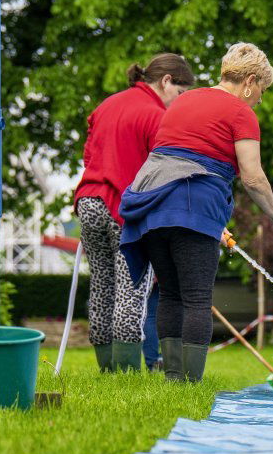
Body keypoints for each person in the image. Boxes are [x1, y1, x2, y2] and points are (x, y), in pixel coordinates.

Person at [119, 43, 273, 383]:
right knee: (197, 297)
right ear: (249, 81)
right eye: (261, 91)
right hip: (193, 204)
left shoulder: (184, 99)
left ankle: (173, 377)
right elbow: (253, 177)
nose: (259, 99)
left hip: (151, 204)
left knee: (169, 292)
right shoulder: (242, 113)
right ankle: (191, 382)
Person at [74, 53, 194, 373]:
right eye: (180, 95)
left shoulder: (106, 106)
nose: (178, 104)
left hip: (88, 202)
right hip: (125, 210)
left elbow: (89, 157)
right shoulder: (156, 116)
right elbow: (163, 172)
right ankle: (126, 375)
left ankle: (107, 370)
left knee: (101, 286)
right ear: (166, 82)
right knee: (133, 288)